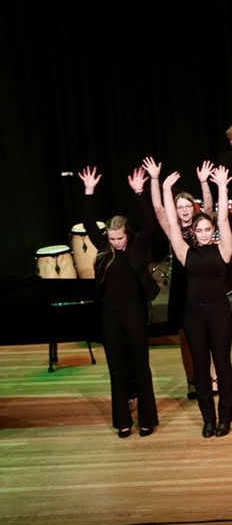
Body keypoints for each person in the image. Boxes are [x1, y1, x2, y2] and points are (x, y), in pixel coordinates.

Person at [78, 165, 161, 438]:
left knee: (141, 367)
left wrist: (139, 193)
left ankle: (147, 420)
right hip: (110, 316)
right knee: (116, 369)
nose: (116, 243)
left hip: (134, 313)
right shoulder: (104, 247)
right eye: (112, 239)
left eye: (119, 238)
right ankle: (123, 421)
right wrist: (89, 191)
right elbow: (88, 223)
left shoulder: (137, 245)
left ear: (127, 233)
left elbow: (150, 223)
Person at [161, 164, 232, 437]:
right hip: (193, 315)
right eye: (200, 230)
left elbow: (224, 219)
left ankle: (225, 417)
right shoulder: (185, 253)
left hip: (219, 314)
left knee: (223, 365)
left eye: (207, 229)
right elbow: (172, 224)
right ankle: (208, 418)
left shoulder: (223, 250)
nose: (204, 233)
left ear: (212, 230)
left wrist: (222, 187)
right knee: (201, 369)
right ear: (193, 232)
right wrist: (166, 189)